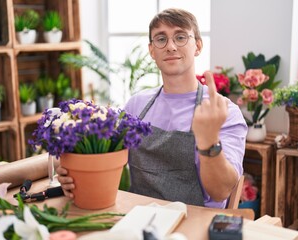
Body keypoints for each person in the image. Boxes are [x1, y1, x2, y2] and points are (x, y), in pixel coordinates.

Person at [57, 8, 247, 208]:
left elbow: (221, 191)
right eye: (161, 39)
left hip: (196, 221)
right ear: (151, 50)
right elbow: (103, 156)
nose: (171, 46)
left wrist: (209, 140)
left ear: (198, 46)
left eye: (181, 37)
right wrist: (72, 171)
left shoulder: (224, 112)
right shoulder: (136, 105)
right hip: (138, 216)